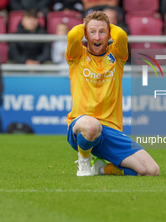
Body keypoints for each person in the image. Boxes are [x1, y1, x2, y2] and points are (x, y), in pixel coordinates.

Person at [66, 11, 160, 176]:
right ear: (86, 35)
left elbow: (122, 35)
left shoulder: (116, 56)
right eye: (92, 32)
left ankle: (101, 169)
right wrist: (87, 25)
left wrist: (104, 26)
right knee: (92, 125)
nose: (97, 37)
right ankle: (84, 161)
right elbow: (73, 35)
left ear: (109, 34)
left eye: (102, 32)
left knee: (151, 171)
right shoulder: (77, 56)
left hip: (111, 130)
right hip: (81, 126)